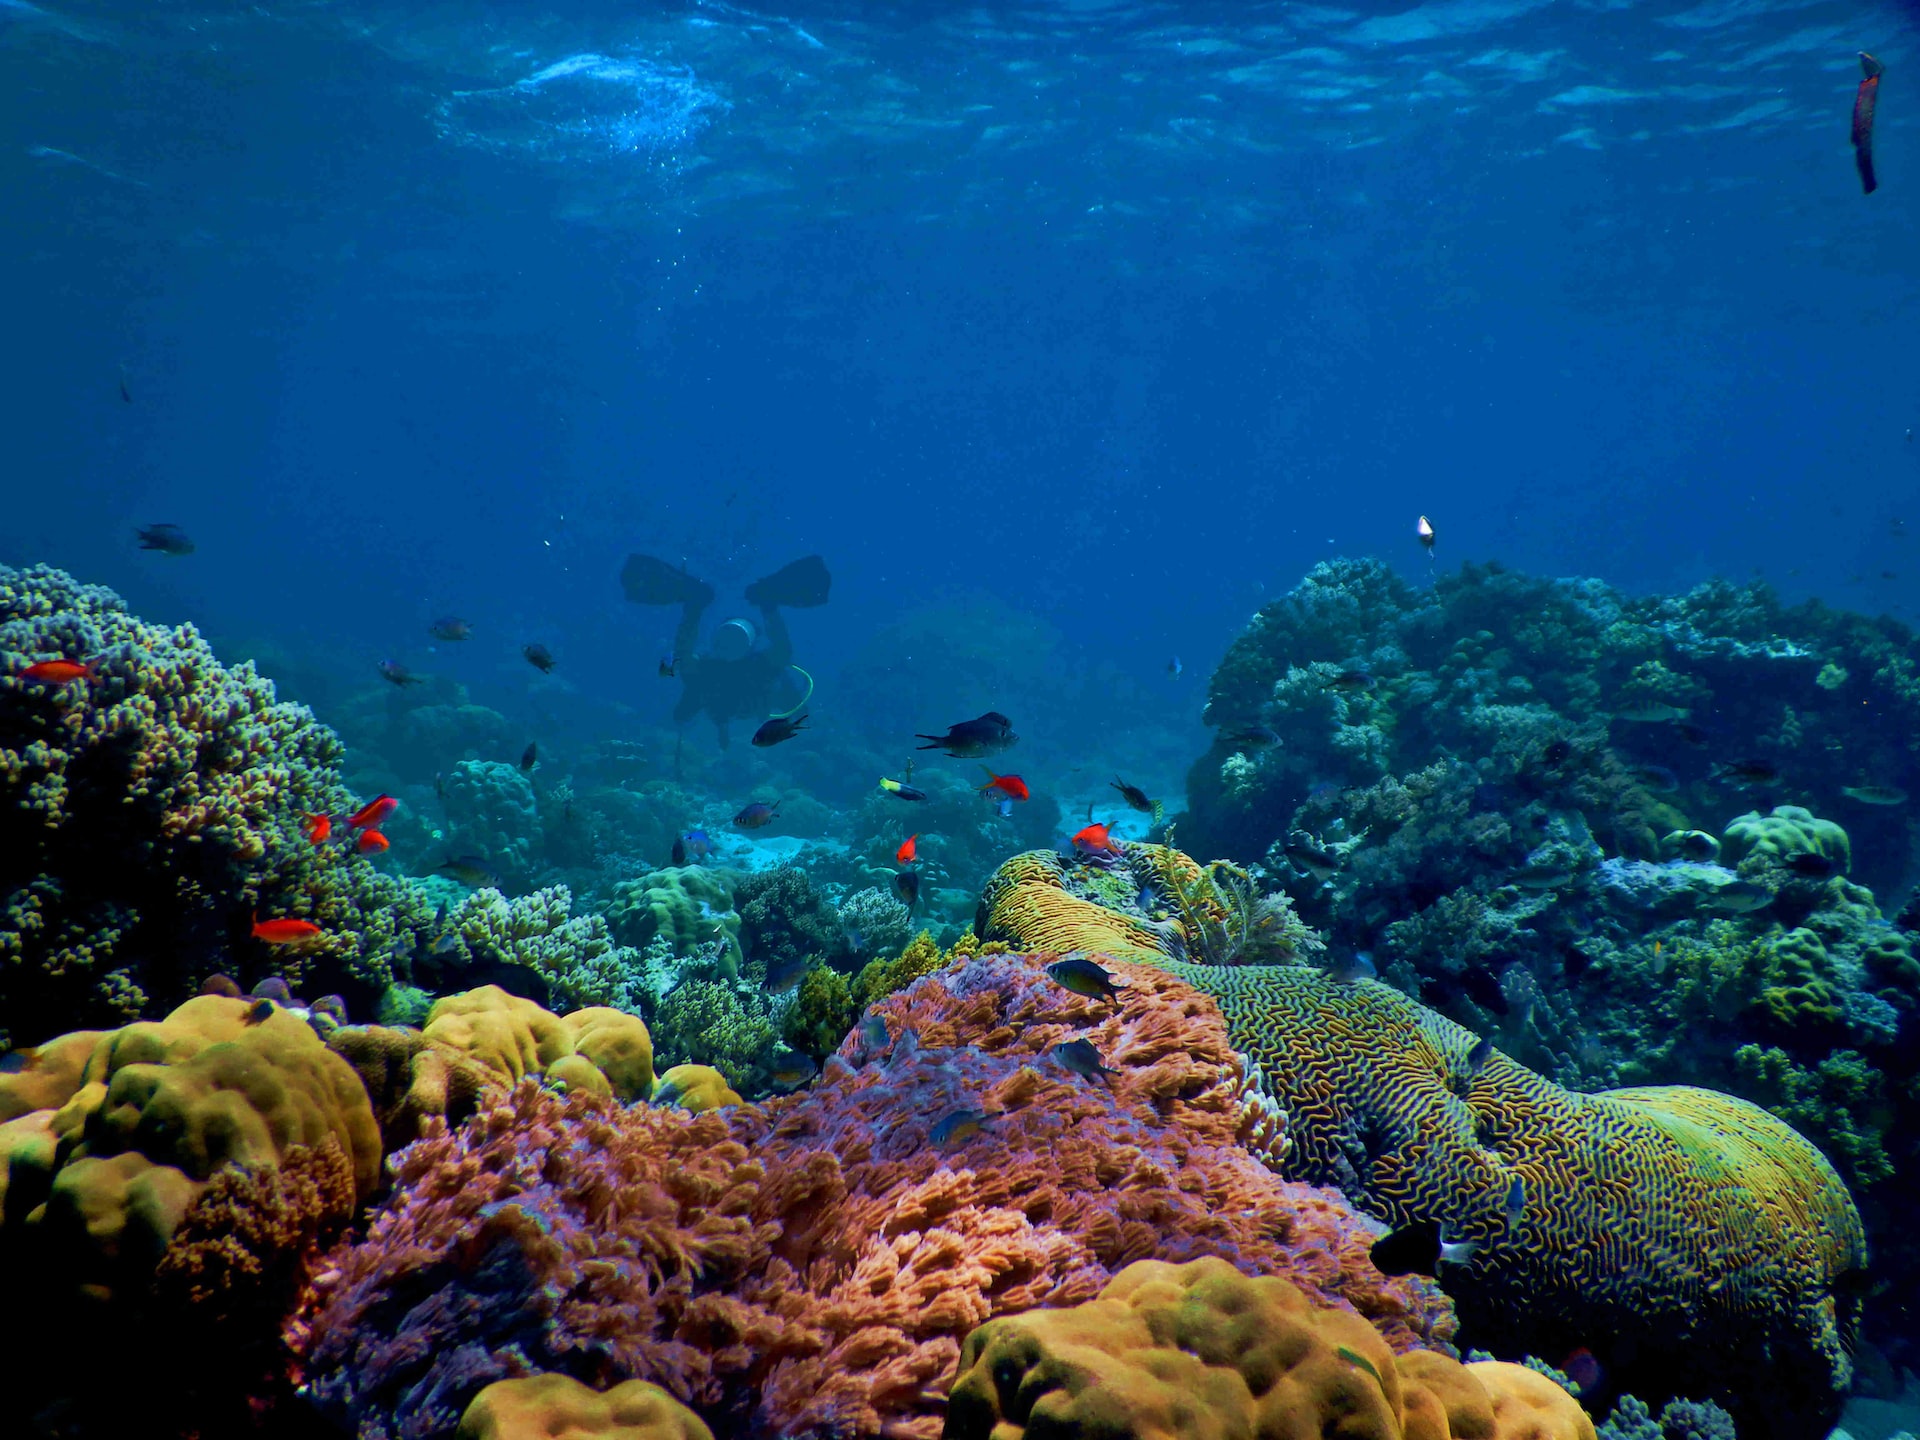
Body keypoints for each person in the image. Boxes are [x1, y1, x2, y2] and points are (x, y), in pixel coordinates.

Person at [621, 553, 829, 751]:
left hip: (719, 675)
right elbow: (782, 653)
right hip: (730, 675)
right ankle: (713, 603)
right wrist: (769, 607)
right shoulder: (756, 671)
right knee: (688, 670)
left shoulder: (718, 675)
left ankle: (697, 603)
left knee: (687, 671)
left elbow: (685, 661)